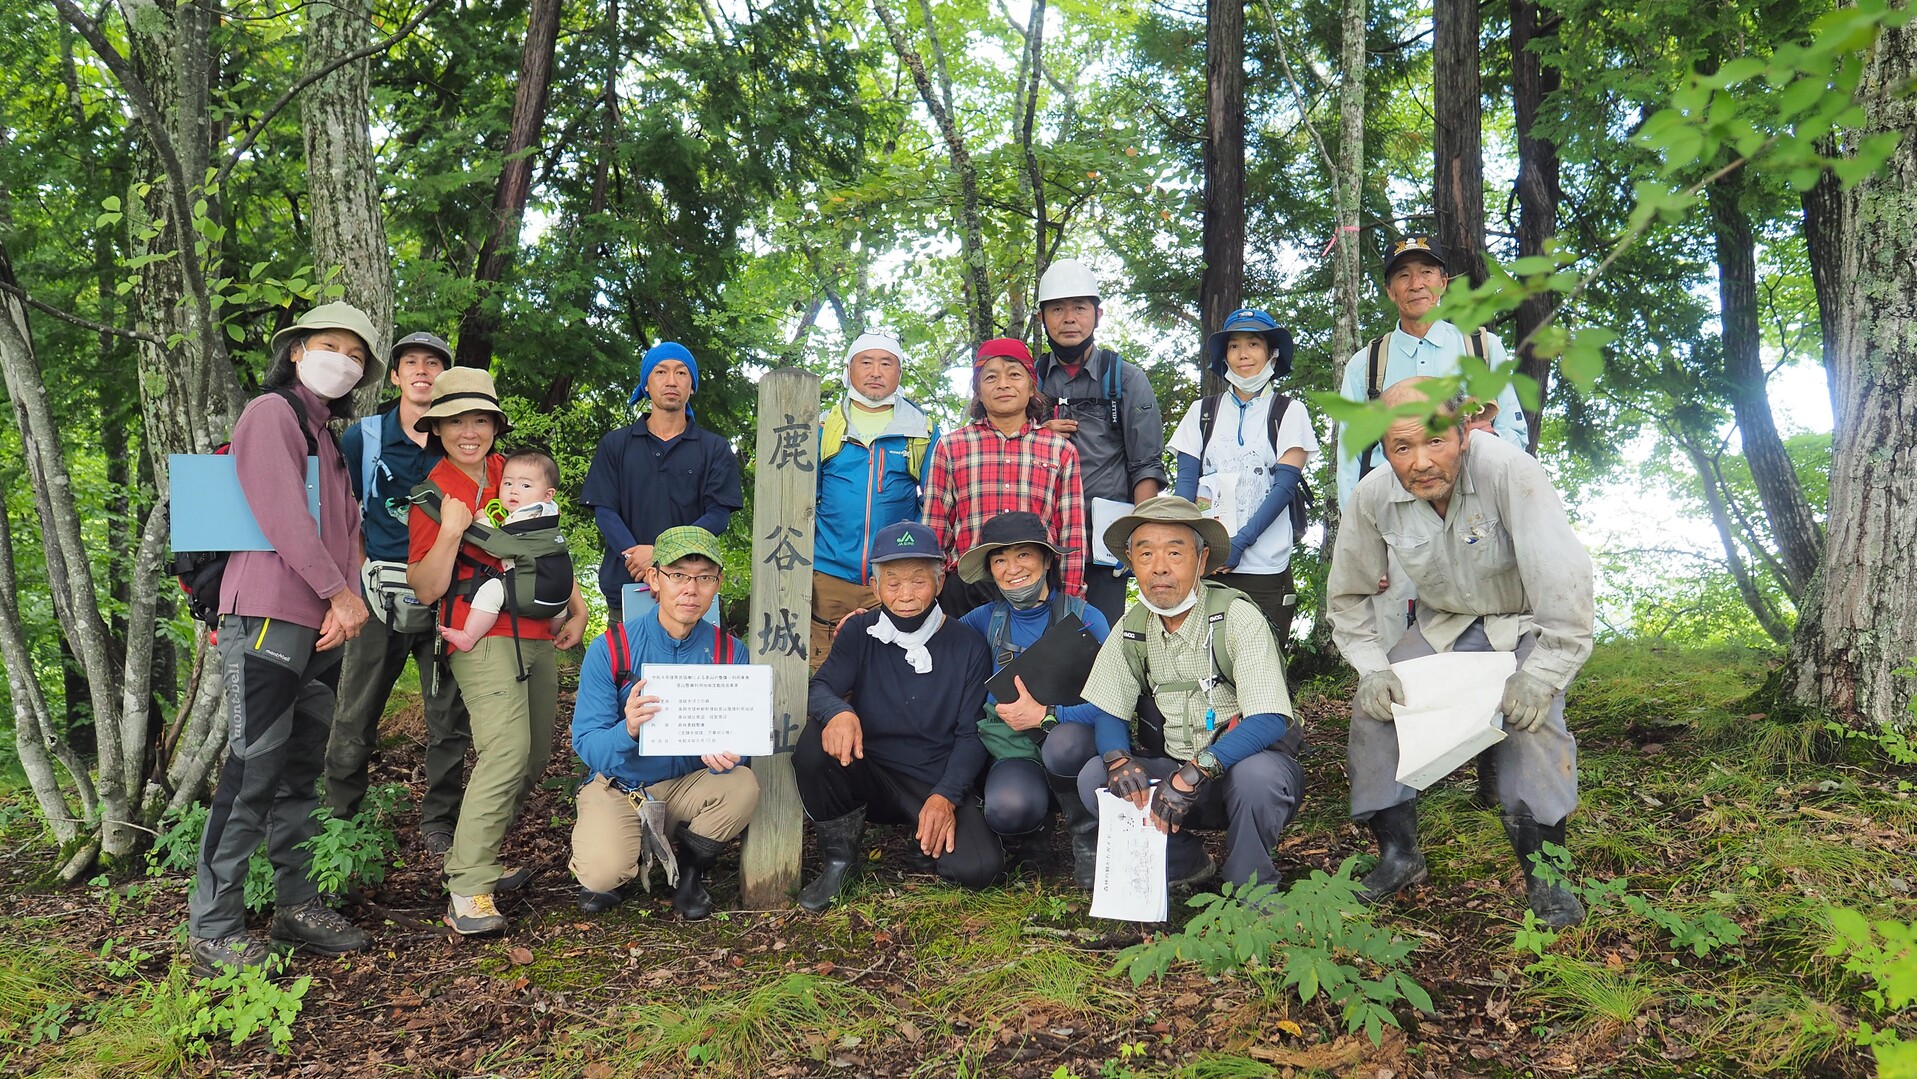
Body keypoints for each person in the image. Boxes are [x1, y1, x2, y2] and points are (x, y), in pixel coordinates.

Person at [1327, 376, 1593, 928]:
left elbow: (1563, 581)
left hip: (1523, 621)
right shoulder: (1373, 496)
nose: (1421, 462)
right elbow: (1347, 597)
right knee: (1376, 711)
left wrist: (1542, 674)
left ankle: (1547, 878)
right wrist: (1374, 668)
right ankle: (1399, 855)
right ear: (1384, 449)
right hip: (1443, 626)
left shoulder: (1508, 471)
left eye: (1435, 441)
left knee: (1531, 723)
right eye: (1402, 447)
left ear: (1464, 433)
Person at [188, 303, 382, 976]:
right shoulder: (270, 414)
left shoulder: (329, 436)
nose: (344, 361)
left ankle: (296, 907)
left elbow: (348, 531)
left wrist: (342, 602)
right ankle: (213, 928)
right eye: (331, 346)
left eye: (356, 356)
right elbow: (279, 513)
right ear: (297, 350)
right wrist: (340, 593)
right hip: (269, 613)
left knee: (301, 771)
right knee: (253, 770)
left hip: (324, 625)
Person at [408, 369, 588, 935]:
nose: (470, 430)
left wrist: (576, 603)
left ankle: (470, 852)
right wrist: (451, 534)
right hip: (480, 636)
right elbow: (426, 587)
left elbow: (543, 546)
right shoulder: (433, 493)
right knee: (507, 751)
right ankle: (469, 885)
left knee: (534, 756)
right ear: (436, 426)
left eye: (480, 419)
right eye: (457, 419)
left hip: (537, 635)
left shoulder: (509, 474)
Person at [1062, 496, 1306, 892]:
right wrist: (1117, 759)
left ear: (1202, 557)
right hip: (1174, 772)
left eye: (1175, 552)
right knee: (1098, 778)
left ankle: (1252, 883)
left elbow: (1269, 717)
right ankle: (1186, 861)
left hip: (1240, 775)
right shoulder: (1134, 625)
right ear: (1131, 561)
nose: (1159, 567)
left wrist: (1195, 772)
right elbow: (1110, 707)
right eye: (1145, 554)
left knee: (1257, 777)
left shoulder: (1236, 616)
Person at [796, 521, 1000, 911]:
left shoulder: (968, 645)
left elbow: (972, 734)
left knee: (980, 869)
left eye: (918, 581)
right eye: (892, 582)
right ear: (875, 587)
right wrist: (839, 711)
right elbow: (819, 688)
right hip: (869, 770)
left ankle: (924, 836)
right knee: (813, 743)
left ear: (939, 583)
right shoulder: (859, 630)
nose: (905, 594)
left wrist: (945, 796)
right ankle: (840, 861)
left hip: (931, 777)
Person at [324, 330, 470, 853]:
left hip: (446, 591)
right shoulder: (363, 437)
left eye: (434, 364)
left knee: (448, 717)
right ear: (395, 375)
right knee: (355, 712)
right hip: (374, 593)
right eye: (412, 363)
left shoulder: (458, 437)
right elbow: (339, 512)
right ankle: (341, 822)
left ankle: (440, 823)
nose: (423, 372)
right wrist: (354, 581)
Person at [569, 526, 760, 920]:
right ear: (654, 579)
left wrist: (731, 754)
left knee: (742, 785)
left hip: (689, 783)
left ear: (717, 584)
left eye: (704, 577)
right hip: (623, 785)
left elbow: (739, 739)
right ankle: (630, 853)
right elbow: (587, 743)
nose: (691, 589)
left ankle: (690, 873)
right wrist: (628, 729)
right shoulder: (612, 647)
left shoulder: (729, 652)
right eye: (678, 575)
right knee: (602, 875)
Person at [955, 513, 1113, 884]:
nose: (1012, 569)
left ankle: (1087, 841)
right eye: (999, 560)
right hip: (1015, 751)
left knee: (1064, 741)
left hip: (1076, 747)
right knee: (1007, 807)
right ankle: (1031, 839)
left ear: (1047, 559)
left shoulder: (1087, 617)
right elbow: (931, 638)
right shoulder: (983, 620)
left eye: (1023, 555)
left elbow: (1114, 702)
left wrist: (1047, 714)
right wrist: (870, 620)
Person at [1334, 235, 1528, 509]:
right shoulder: (1365, 365)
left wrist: (1487, 439)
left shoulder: (1481, 348)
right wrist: (1355, 526)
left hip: (1476, 498)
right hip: (1395, 506)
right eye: (1403, 276)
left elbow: (1515, 432)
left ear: (1443, 282)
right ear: (1390, 290)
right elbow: (1349, 456)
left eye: (1426, 273)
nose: (1417, 285)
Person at [1169, 307, 1319, 647]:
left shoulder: (1288, 411)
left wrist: (1238, 544)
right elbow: (1185, 487)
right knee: (1207, 662)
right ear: (1224, 356)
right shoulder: (1202, 412)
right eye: (1234, 346)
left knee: (1262, 663)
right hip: (1207, 564)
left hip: (1265, 566)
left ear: (1272, 353)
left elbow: (1284, 487)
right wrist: (1197, 546)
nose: (1243, 354)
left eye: (1253, 344)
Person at [1033, 259, 1167, 625]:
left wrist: (1143, 540)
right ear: (1043, 318)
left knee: (1099, 643)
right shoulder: (1027, 381)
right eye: (1057, 309)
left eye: (1080, 308)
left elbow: (1145, 466)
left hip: (1104, 544)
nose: (1069, 318)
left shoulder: (1125, 379)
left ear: (1098, 314)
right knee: (1037, 647)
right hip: (1039, 541)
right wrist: (1037, 435)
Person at [923, 337, 1086, 616]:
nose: (1003, 384)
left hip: (1038, 589)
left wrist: (1069, 599)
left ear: (1031, 386)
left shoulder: (1060, 450)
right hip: (966, 590)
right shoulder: (952, 447)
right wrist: (931, 593)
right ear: (978, 390)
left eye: (1014, 375)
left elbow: (1072, 531)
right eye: (990, 377)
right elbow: (935, 528)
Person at [580, 341, 743, 621]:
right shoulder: (616, 444)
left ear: (692, 386)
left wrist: (662, 555)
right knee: (628, 665)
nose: (671, 381)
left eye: (681, 373)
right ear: (646, 384)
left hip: (692, 590)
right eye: (660, 372)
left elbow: (718, 515)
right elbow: (605, 511)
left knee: (692, 666)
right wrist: (640, 562)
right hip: (627, 585)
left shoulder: (713, 448)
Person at [812, 331, 941, 670]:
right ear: (849, 370)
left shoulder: (921, 431)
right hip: (828, 575)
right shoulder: (824, 428)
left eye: (886, 363)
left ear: (899, 373)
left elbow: (935, 503)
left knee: (889, 672)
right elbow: (803, 501)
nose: (875, 372)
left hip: (895, 579)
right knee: (824, 672)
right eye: (865, 362)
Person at [439, 450, 562, 652]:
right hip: (557, 589)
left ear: (548, 494)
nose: (514, 491)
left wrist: (483, 522)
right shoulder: (549, 514)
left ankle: (468, 636)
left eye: (525, 485)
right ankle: (552, 632)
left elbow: (501, 547)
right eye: (507, 484)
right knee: (559, 605)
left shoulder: (527, 517)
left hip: (530, 585)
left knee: (491, 590)